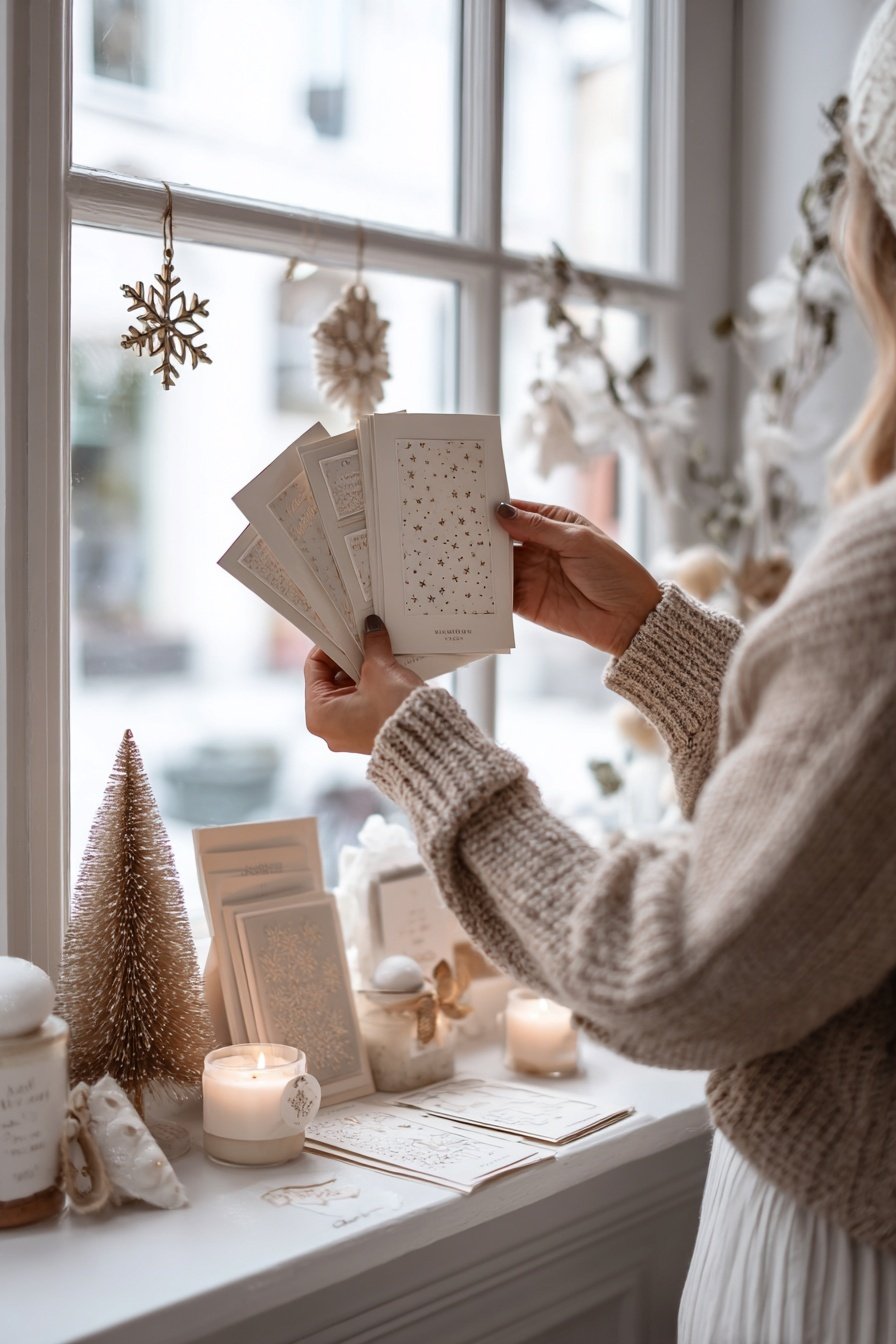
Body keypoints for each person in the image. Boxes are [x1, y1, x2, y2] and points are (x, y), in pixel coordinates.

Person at [305, 5, 896, 1339]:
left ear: (872, 226)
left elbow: (677, 966)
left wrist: (426, 748)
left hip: (848, 1263)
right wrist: (670, 650)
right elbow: (854, 831)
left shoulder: (889, 563)